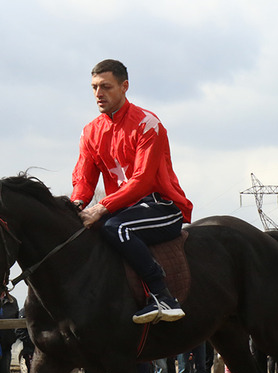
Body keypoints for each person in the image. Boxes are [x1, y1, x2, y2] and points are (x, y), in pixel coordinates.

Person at [70, 59, 193, 324]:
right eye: (93, 88)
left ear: (124, 86)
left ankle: (162, 296)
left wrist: (101, 207)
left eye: (106, 87)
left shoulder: (148, 123)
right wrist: (75, 206)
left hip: (161, 206)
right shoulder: (89, 132)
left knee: (116, 228)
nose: (98, 94)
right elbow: (83, 180)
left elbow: (143, 181)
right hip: (121, 209)